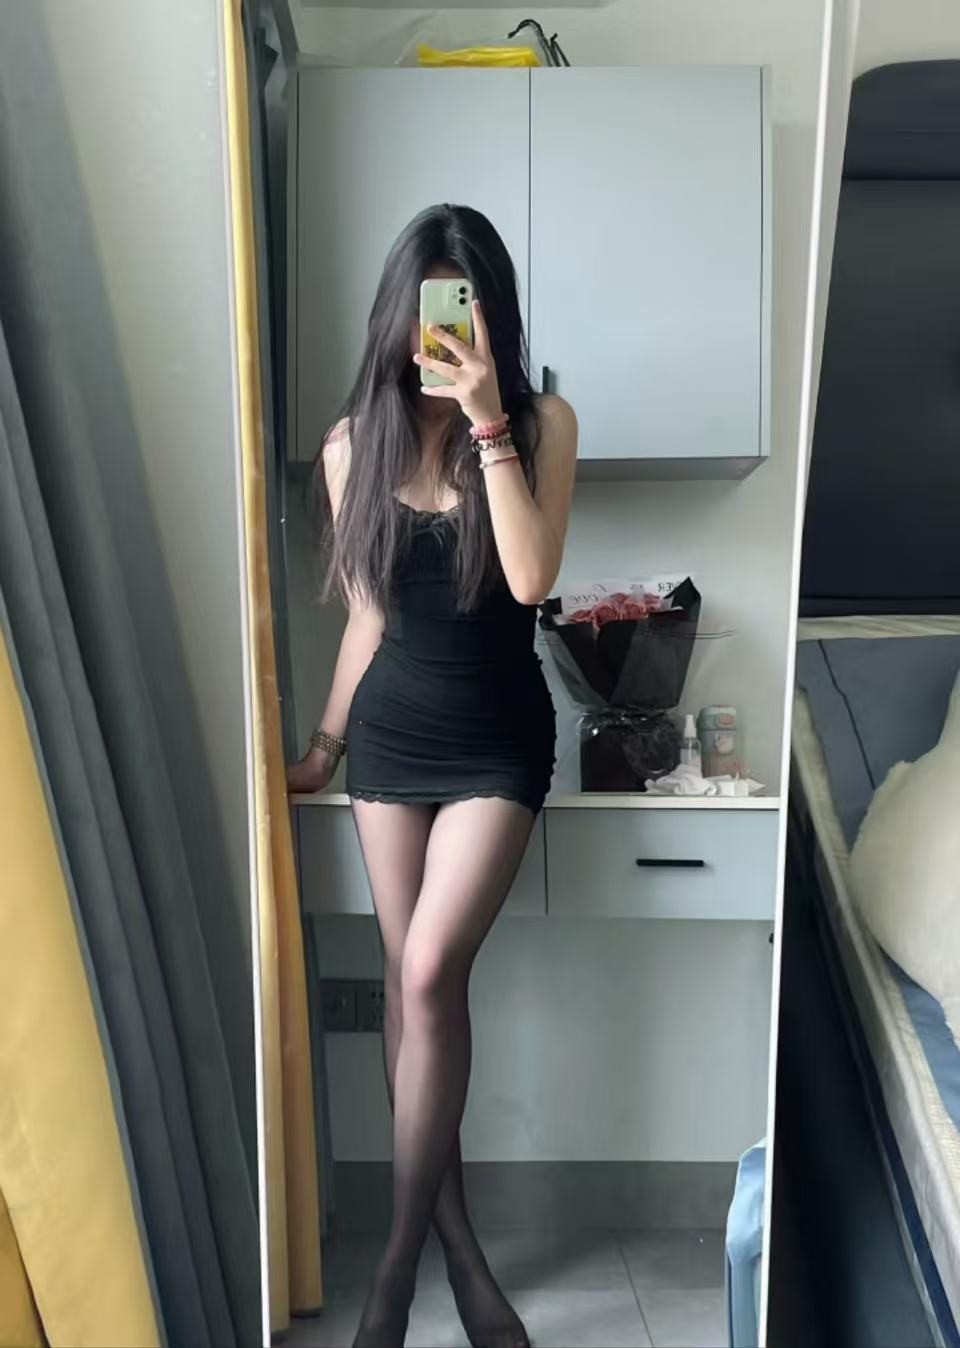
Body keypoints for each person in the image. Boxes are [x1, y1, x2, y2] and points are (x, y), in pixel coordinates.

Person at [287, 203, 578, 1348]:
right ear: (396, 317)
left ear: (492, 314)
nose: (445, 329)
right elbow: (367, 621)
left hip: (498, 740)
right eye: (429, 309)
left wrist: (488, 419)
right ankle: (461, 1258)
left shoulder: (540, 423)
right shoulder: (349, 446)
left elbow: (532, 578)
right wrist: (324, 746)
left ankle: (394, 1279)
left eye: (466, 306)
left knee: (425, 973)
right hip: (392, 742)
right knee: (414, 994)